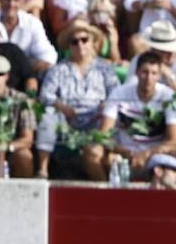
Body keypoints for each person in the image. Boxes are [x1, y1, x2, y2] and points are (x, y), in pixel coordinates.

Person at [35, 19, 116, 180]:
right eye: (75, 41)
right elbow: (45, 95)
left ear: (92, 42)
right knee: (48, 115)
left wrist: (104, 107)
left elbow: (116, 94)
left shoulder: (105, 68)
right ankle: (42, 169)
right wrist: (61, 106)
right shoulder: (58, 70)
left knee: (111, 115)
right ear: (69, 46)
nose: (80, 45)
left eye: (84, 40)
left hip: (97, 117)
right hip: (66, 119)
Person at [98, 50, 176, 181]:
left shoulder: (169, 96)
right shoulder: (119, 93)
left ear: (159, 76)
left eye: (154, 73)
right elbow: (104, 134)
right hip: (124, 153)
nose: (148, 78)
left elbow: (174, 141)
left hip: (155, 154)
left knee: (173, 163)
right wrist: (125, 152)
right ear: (136, 72)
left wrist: (147, 154)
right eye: (144, 72)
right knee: (98, 153)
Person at [0, 0, 57, 76]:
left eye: (16, 0)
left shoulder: (32, 23)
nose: (11, 4)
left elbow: (49, 56)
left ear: (22, 2)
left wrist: (22, 67)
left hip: (24, 76)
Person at [126, 19, 176, 98]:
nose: (171, 54)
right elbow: (129, 90)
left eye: (173, 49)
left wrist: (170, 77)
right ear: (153, 50)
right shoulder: (138, 60)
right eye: (165, 51)